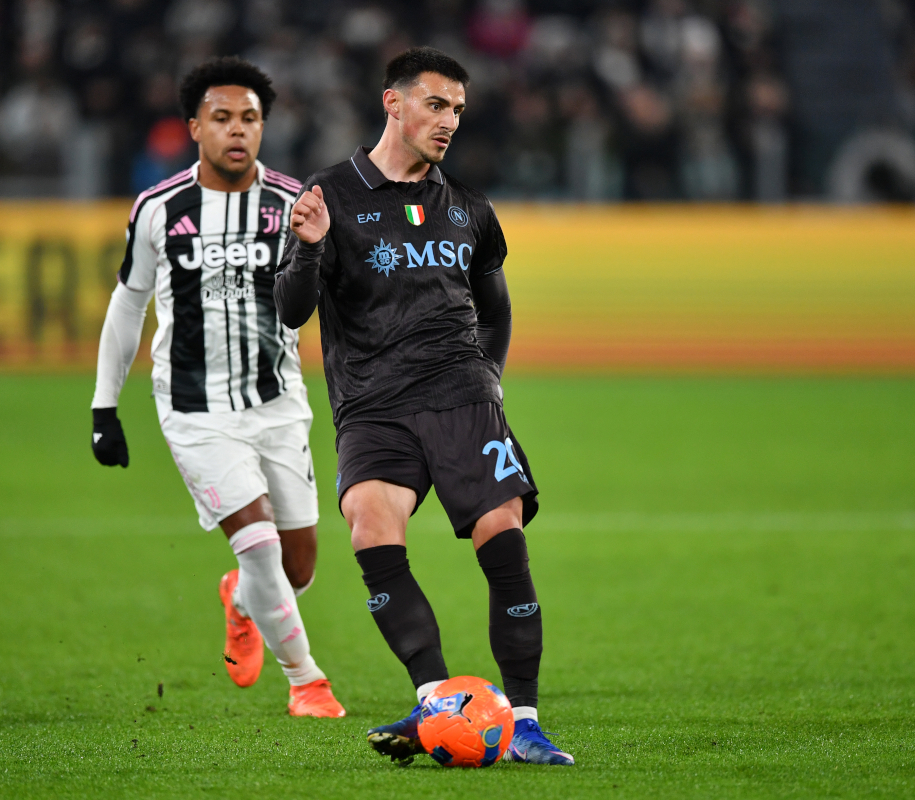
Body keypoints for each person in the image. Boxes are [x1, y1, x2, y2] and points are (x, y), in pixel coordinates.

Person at [274, 47, 573, 764]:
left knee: (502, 536)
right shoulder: (330, 195)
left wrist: (490, 380)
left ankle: (525, 720)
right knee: (371, 532)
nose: (449, 122)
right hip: (374, 406)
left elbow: (495, 306)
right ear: (393, 103)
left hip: (461, 397)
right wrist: (309, 249)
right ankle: (438, 704)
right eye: (436, 105)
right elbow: (291, 311)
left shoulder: (469, 208)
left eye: (458, 111)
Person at [90, 56, 344, 718]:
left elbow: (330, 303)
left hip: (278, 403)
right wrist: (104, 405)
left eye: (251, 119)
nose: (238, 131)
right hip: (195, 409)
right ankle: (307, 683)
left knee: (298, 567)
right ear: (193, 127)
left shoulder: (295, 206)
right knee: (258, 542)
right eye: (223, 118)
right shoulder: (158, 210)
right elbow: (128, 304)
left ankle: (240, 599)